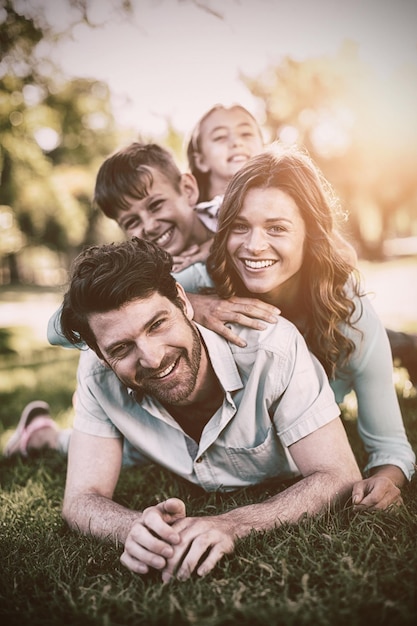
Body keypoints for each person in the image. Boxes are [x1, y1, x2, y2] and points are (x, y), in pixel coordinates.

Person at [57, 236, 361, 581]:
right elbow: (80, 499)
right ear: (99, 354)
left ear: (183, 303)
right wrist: (134, 529)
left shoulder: (272, 349)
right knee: (73, 445)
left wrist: (232, 524)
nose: (153, 358)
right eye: (122, 348)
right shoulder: (97, 374)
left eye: (157, 324)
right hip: (142, 450)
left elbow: (339, 475)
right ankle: (41, 437)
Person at [191, 144, 414, 510]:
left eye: (276, 228)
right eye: (240, 226)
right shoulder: (205, 283)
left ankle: (406, 346)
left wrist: (387, 480)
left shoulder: (349, 311)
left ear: (310, 233)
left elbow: (390, 445)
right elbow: (63, 328)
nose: (253, 246)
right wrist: (194, 304)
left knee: (388, 346)